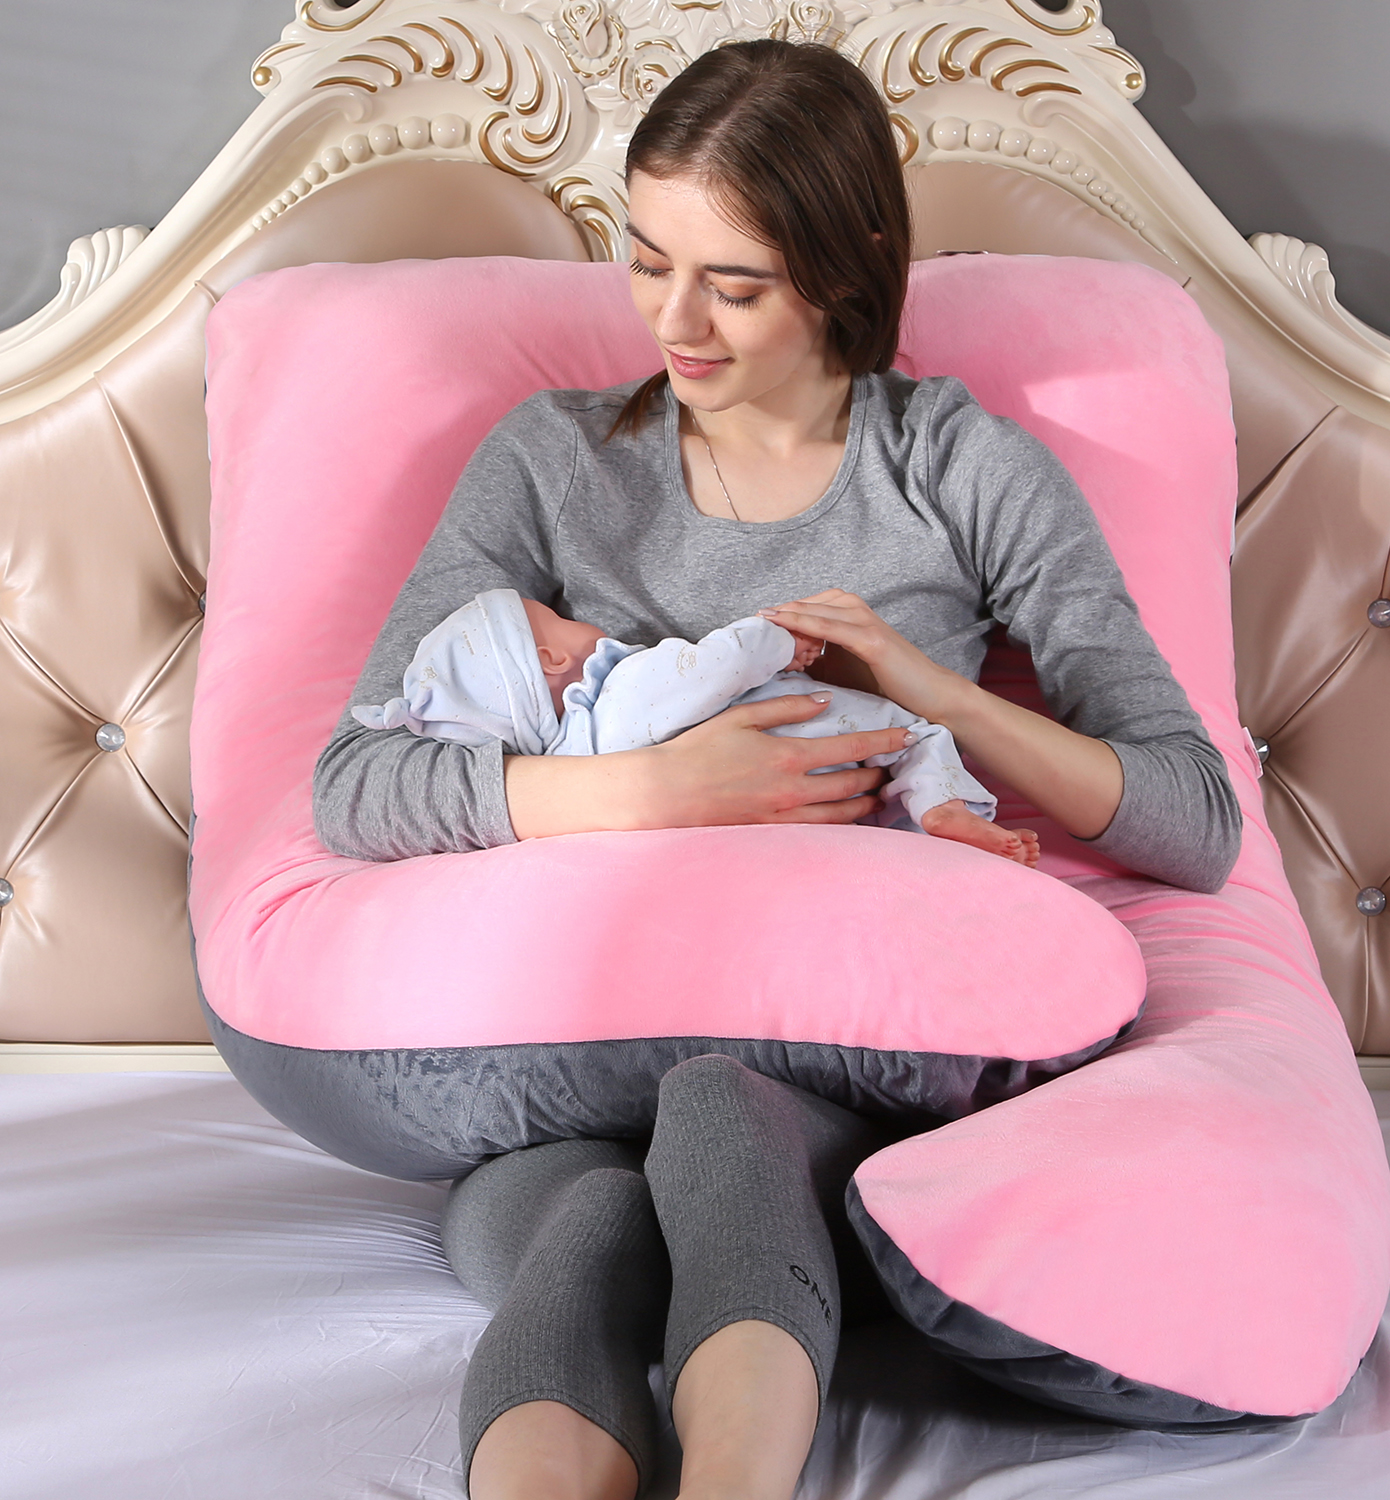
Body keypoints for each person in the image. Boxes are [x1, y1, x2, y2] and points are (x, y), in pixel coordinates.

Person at [312, 37, 1240, 1500]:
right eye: (646, 262)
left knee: (720, 1131)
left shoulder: (959, 470)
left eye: (732, 286)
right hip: (582, 1035)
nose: (673, 322)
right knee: (575, 1225)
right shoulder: (551, 462)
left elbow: (1194, 822)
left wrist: (936, 692)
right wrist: (653, 793)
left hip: (829, 1048)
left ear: (846, 267)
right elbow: (358, 781)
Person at [349, 587, 1040, 864]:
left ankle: (934, 825)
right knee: (918, 740)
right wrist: (779, 640)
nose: (588, 623)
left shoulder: (574, 771)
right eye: (559, 618)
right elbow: (711, 664)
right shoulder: (622, 688)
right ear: (553, 658)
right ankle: (943, 810)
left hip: (796, 828)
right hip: (834, 729)